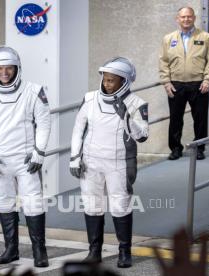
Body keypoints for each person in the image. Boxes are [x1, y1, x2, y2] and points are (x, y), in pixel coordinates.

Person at [0, 46, 51, 267]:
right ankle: (11, 249)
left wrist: (38, 152)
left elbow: (44, 123)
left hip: (26, 160)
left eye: (9, 68)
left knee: (34, 204)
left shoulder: (34, 91)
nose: (4, 73)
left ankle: (39, 251)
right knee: (4, 203)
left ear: (17, 69)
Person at [69, 57, 149, 268]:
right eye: (105, 79)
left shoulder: (136, 103)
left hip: (119, 163)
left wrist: (126, 117)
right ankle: (94, 251)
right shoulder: (89, 98)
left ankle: (124, 251)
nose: (106, 84)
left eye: (112, 80)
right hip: (91, 161)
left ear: (124, 82)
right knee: (92, 205)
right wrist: (75, 157)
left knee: (120, 205)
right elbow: (78, 129)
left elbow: (142, 135)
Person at [159, 6, 209, 160]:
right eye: (183, 17)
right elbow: (163, 62)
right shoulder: (168, 39)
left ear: (194, 18)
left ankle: (199, 148)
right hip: (175, 85)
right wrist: (166, 82)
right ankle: (176, 149)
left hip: (199, 84)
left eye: (189, 16)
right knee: (175, 119)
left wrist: (208, 79)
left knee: (200, 119)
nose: (186, 19)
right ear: (177, 19)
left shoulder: (205, 37)